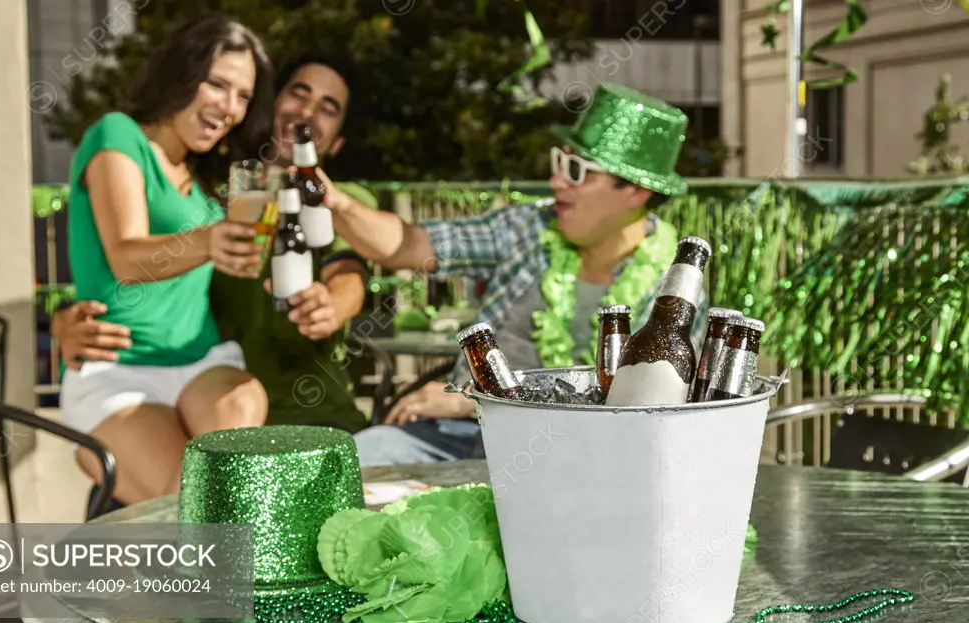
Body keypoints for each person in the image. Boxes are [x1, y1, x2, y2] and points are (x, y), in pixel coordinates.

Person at [318, 83, 711, 465]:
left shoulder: (674, 290)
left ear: (635, 192)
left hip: (574, 455)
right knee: (348, 464)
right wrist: (333, 202)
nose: (556, 180)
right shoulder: (532, 226)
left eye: (575, 170)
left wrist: (475, 394)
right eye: (560, 162)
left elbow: (645, 415)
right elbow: (409, 246)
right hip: (458, 433)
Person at [53, 52, 374, 449]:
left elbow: (349, 275)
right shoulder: (212, 199)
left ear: (338, 140)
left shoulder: (343, 203)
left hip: (316, 421)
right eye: (299, 94)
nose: (307, 112)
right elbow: (135, 260)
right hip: (201, 415)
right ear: (268, 106)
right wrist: (65, 318)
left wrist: (334, 304)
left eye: (328, 108)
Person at [60, 14, 275, 509]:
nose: (230, 107)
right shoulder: (118, 135)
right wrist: (209, 240)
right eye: (218, 84)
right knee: (189, 507)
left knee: (242, 403)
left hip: (202, 361)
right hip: (120, 369)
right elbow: (126, 258)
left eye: (243, 95)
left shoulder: (203, 178)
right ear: (182, 73)